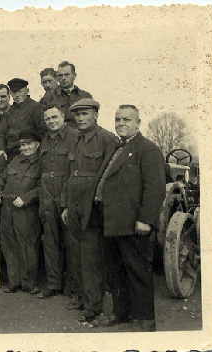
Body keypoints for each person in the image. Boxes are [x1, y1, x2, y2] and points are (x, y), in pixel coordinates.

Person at [92, 105, 165, 331]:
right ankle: (120, 313)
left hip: (133, 223)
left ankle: (145, 319)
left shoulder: (147, 149)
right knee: (115, 271)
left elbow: (155, 189)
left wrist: (146, 219)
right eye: (117, 119)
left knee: (138, 270)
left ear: (138, 123)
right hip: (111, 221)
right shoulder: (117, 148)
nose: (121, 123)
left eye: (126, 119)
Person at [60, 98, 119, 323]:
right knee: (76, 253)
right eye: (78, 114)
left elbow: (110, 176)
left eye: (85, 114)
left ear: (95, 115)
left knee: (91, 255)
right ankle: (82, 298)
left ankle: (94, 304)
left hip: (92, 204)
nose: (81, 118)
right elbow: (69, 175)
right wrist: (65, 205)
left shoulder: (106, 139)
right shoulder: (76, 140)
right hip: (74, 203)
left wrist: (100, 204)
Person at [37, 103, 78, 299]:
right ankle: (54, 284)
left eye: (54, 117)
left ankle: (73, 286)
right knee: (50, 241)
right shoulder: (44, 142)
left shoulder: (74, 136)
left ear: (62, 116)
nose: (51, 122)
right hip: (47, 194)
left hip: (66, 190)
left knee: (71, 241)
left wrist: (68, 200)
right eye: (47, 119)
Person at [0, 130, 42, 294]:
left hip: (26, 209)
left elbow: (42, 187)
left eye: (29, 144)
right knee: (9, 244)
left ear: (37, 145)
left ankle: (29, 283)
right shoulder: (15, 160)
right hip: (7, 207)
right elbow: (2, 177)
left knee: (27, 246)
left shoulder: (41, 163)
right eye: (23, 144)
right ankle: (13, 282)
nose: (26, 147)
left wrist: (26, 198)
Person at [41, 61, 93, 128]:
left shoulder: (85, 96)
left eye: (66, 75)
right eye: (60, 75)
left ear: (74, 76)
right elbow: (44, 119)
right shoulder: (50, 96)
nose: (63, 78)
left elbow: (92, 120)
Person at [5, 78, 46, 162]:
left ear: (27, 91)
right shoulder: (9, 111)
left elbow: (42, 131)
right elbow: (2, 131)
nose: (17, 95)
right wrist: (1, 149)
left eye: (20, 91)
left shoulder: (35, 107)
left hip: (27, 152)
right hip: (9, 152)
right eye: (14, 92)